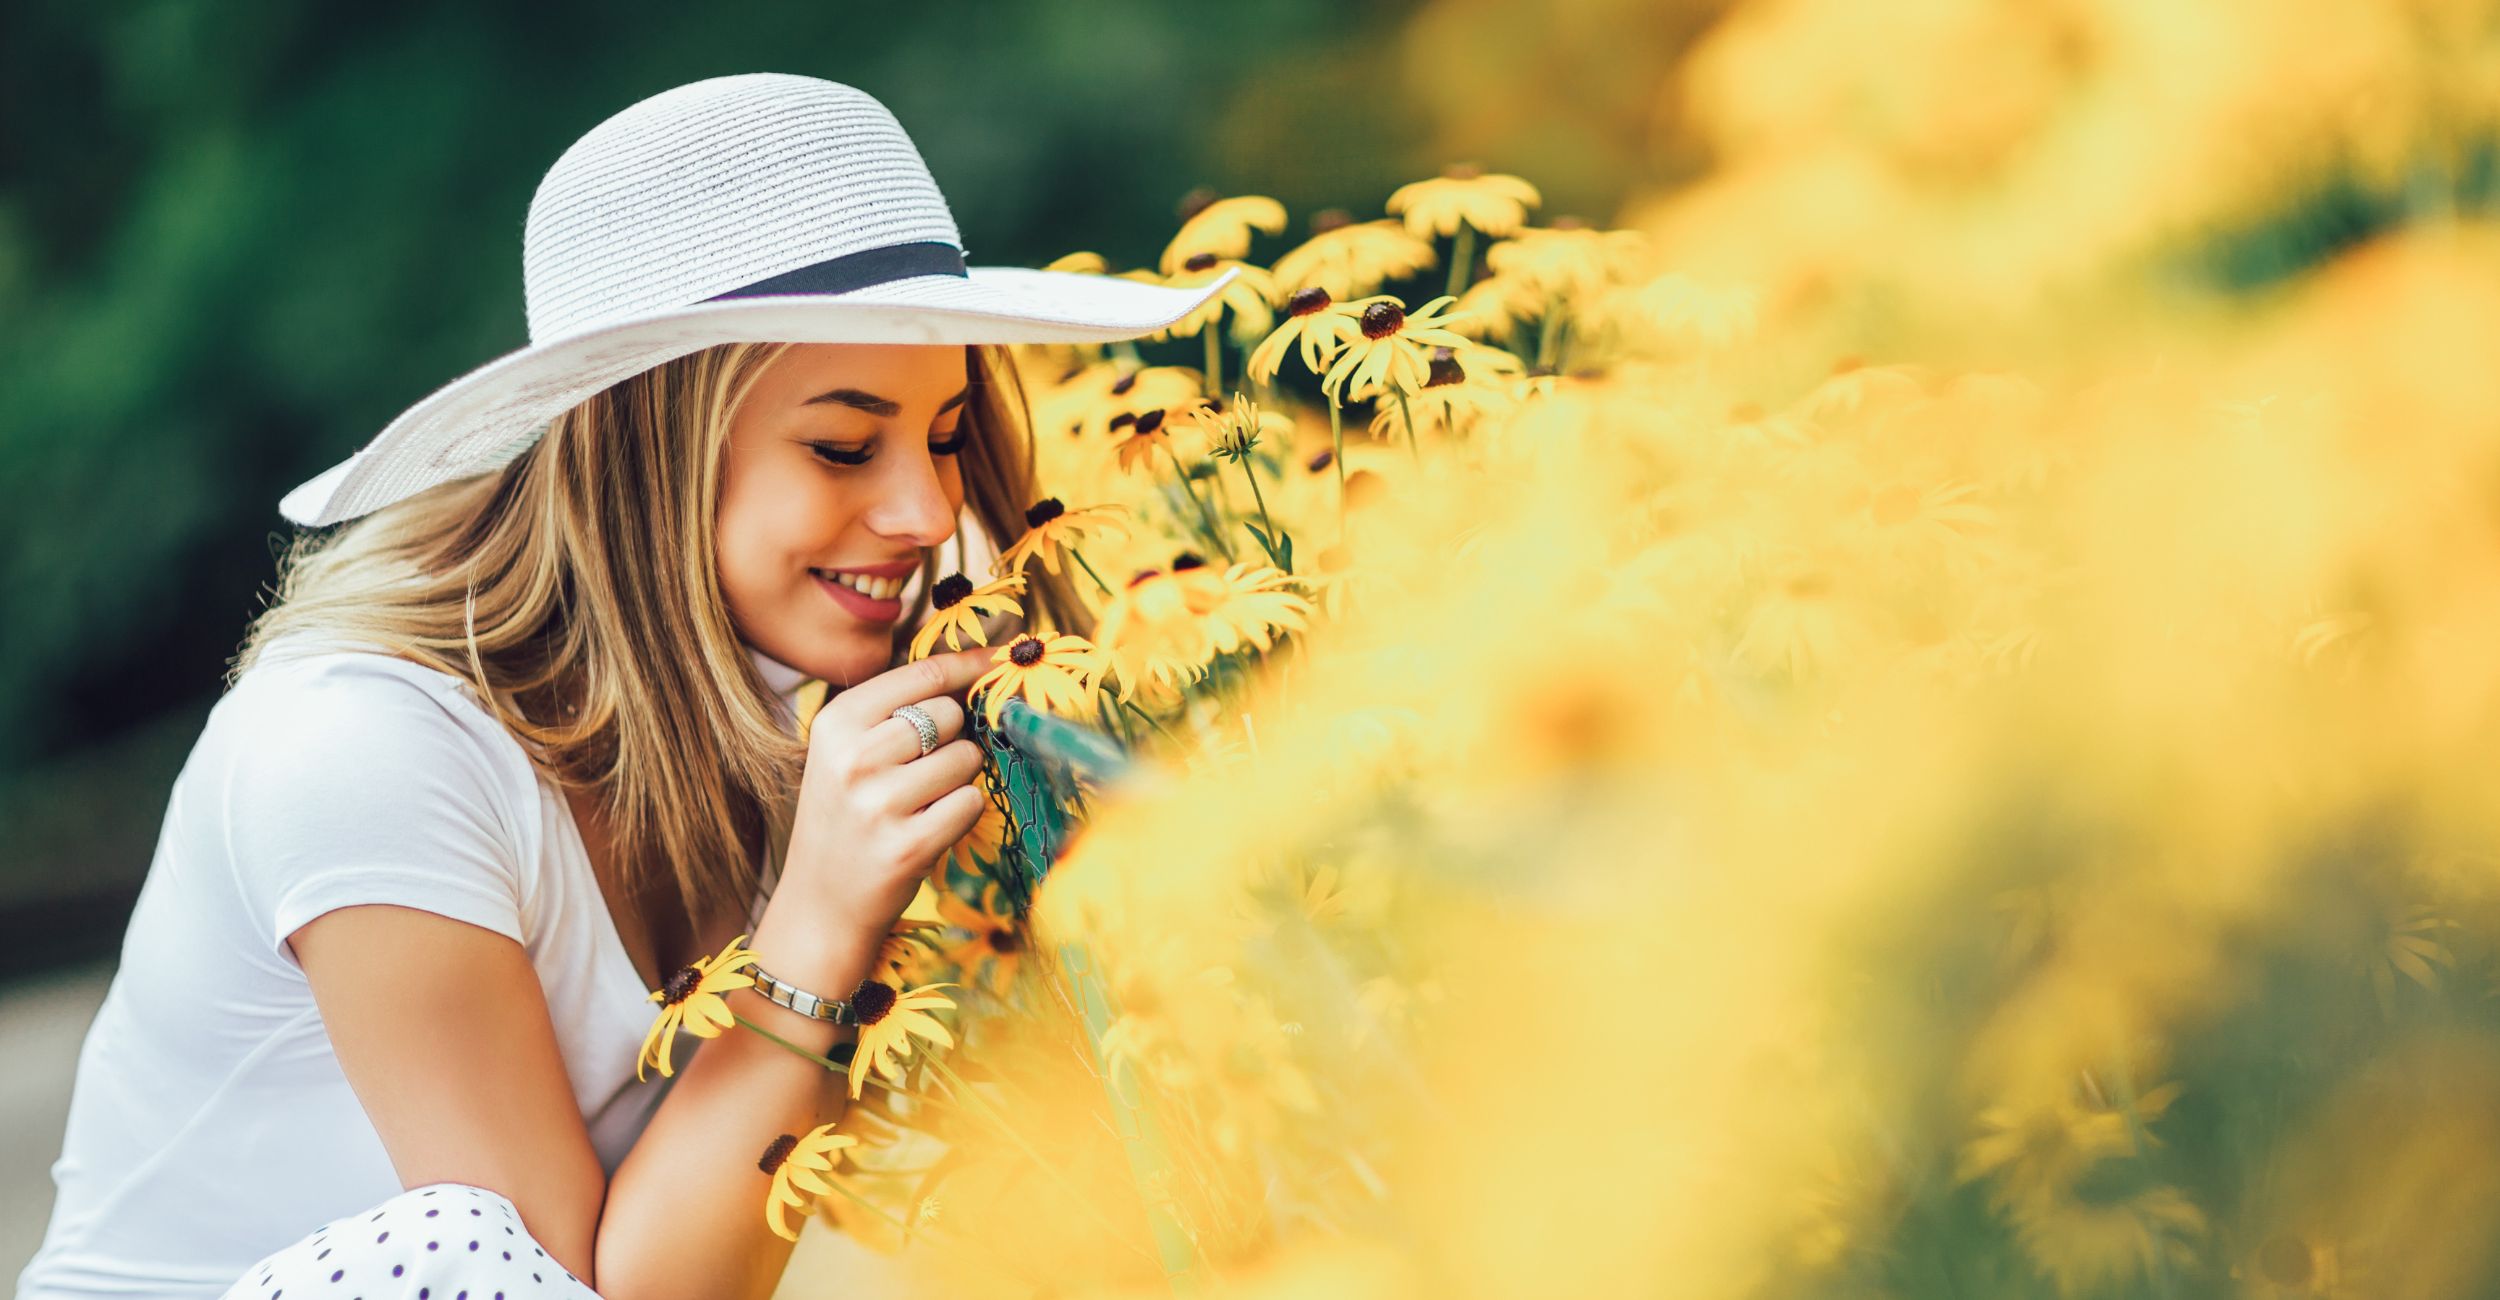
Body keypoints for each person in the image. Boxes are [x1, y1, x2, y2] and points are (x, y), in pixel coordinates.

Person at [15, 73, 1233, 1300]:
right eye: (842, 445)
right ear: (646, 447)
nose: (925, 511)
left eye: (944, 434)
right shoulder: (363, 749)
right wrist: (813, 934)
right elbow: (548, 1287)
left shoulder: (754, 706)